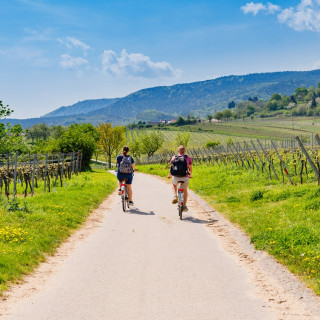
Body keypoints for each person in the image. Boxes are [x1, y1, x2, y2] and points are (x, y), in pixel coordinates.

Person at [168, 145, 193, 211]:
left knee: (174, 185)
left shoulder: (174, 157)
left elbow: (171, 168)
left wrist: (169, 175)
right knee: (185, 190)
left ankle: (175, 196)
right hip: (185, 177)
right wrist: (190, 175)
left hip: (176, 177)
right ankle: (184, 206)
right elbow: (190, 169)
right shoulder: (188, 158)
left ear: (178, 151)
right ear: (185, 151)